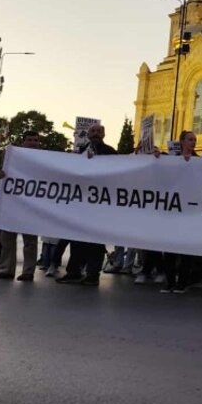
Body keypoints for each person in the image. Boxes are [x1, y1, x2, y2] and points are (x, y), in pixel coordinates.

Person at [57, 123, 116, 287]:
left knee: (96, 242)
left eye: (99, 131)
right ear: (88, 134)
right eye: (93, 131)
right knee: (76, 240)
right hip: (80, 204)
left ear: (104, 134)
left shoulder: (110, 152)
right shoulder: (80, 151)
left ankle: (92, 274)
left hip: (99, 205)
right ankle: (73, 272)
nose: (96, 134)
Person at [0, 131, 41, 282]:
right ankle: (7, 268)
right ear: (23, 141)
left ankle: (28, 271)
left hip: (31, 204)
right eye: (29, 140)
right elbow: (4, 174)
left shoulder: (43, 160)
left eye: (35, 140)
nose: (33, 142)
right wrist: (1, 175)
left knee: (30, 241)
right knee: (6, 238)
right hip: (12, 202)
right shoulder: (13, 157)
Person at [159, 130, 198, 294]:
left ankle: (182, 282)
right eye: (190, 139)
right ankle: (169, 281)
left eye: (194, 140)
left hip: (190, 212)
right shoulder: (171, 161)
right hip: (173, 210)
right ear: (181, 142)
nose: (193, 142)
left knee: (186, 250)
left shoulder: (200, 162)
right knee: (169, 249)